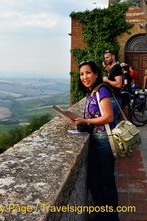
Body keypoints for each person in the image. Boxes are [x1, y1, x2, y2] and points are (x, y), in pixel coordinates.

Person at [59, 61, 119, 221]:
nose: (84, 77)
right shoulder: (91, 93)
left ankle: (111, 218)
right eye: (82, 74)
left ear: (96, 74)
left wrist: (85, 122)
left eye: (88, 73)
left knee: (105, 181)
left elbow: (108, 117)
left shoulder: (102, 90)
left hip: (104, 142)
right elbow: (90, 118)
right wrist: (70, 116)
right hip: (96, 140)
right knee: (95, 180)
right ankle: (103, 214)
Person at [102, 50, 123, 119]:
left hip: (114, 99)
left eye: (107, 57)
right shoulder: (112, 69)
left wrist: (107, 80)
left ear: (113, 57)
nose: (106, 59)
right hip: (112, 98)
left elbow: (119, 84)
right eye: (105, 58)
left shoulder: (117, 67)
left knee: (112, 123)